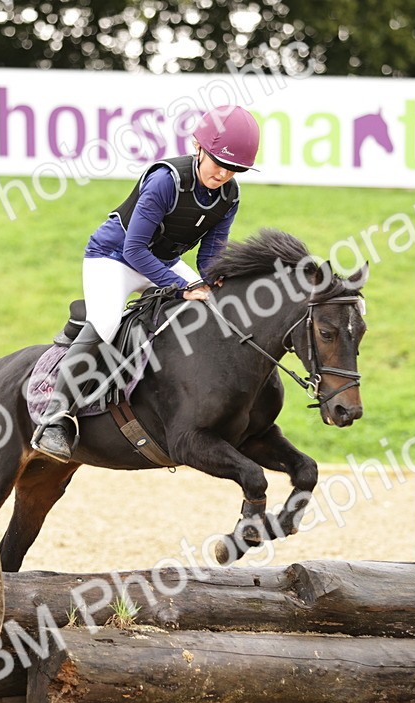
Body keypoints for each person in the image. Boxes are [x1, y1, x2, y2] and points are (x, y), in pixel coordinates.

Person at [32, 105, 261, 463]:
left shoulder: (228, 195)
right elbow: (134, 249)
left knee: (215, 310)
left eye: (235, 168)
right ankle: (55, 420)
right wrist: (181, 288)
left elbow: (209, 257)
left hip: (163, 261)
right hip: (113, 258)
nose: (225, 172)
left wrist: (218, 281)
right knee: (106, 323)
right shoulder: (165, 180)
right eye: (219, 161)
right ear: (198, 148)